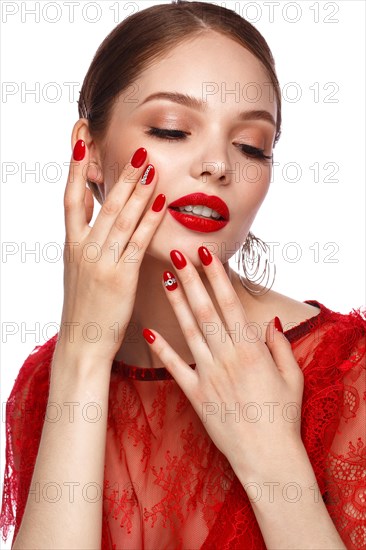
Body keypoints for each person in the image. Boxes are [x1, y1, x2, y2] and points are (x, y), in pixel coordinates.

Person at [1, 0, 365, 548]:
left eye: (251, 146)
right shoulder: (42, 387)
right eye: (172, 130)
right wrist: (82, 354)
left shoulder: (346, 374)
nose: (218, 163)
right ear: (90, 151)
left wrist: (274, 466)